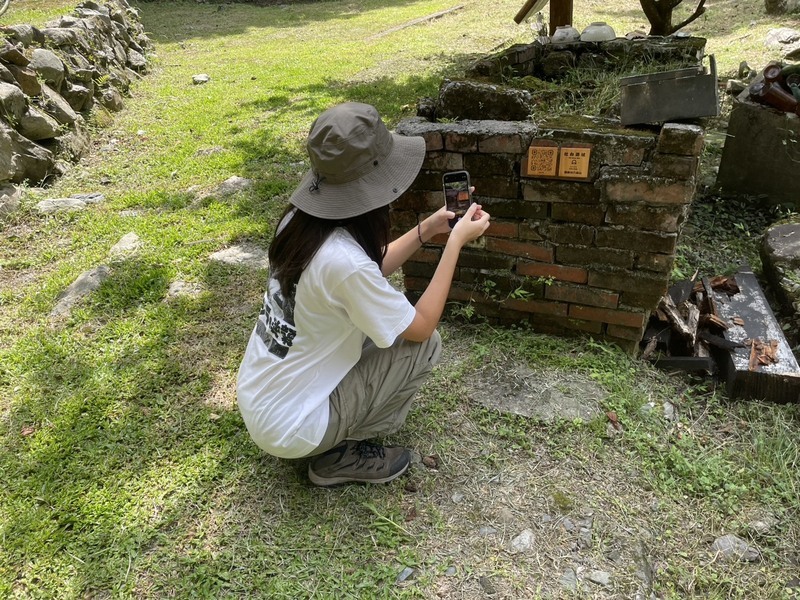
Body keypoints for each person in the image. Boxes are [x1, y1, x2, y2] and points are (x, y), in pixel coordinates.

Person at [236, 102, 490, 487]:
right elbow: (420, 328)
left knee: (383, 329)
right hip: (292, 428)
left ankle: (333, 432)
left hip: (263, 399)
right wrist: (454, 243)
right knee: (424, 345)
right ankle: (339, 454)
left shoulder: (298, 224)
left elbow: (366, 269)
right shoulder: (343, 263)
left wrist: (431, 228)